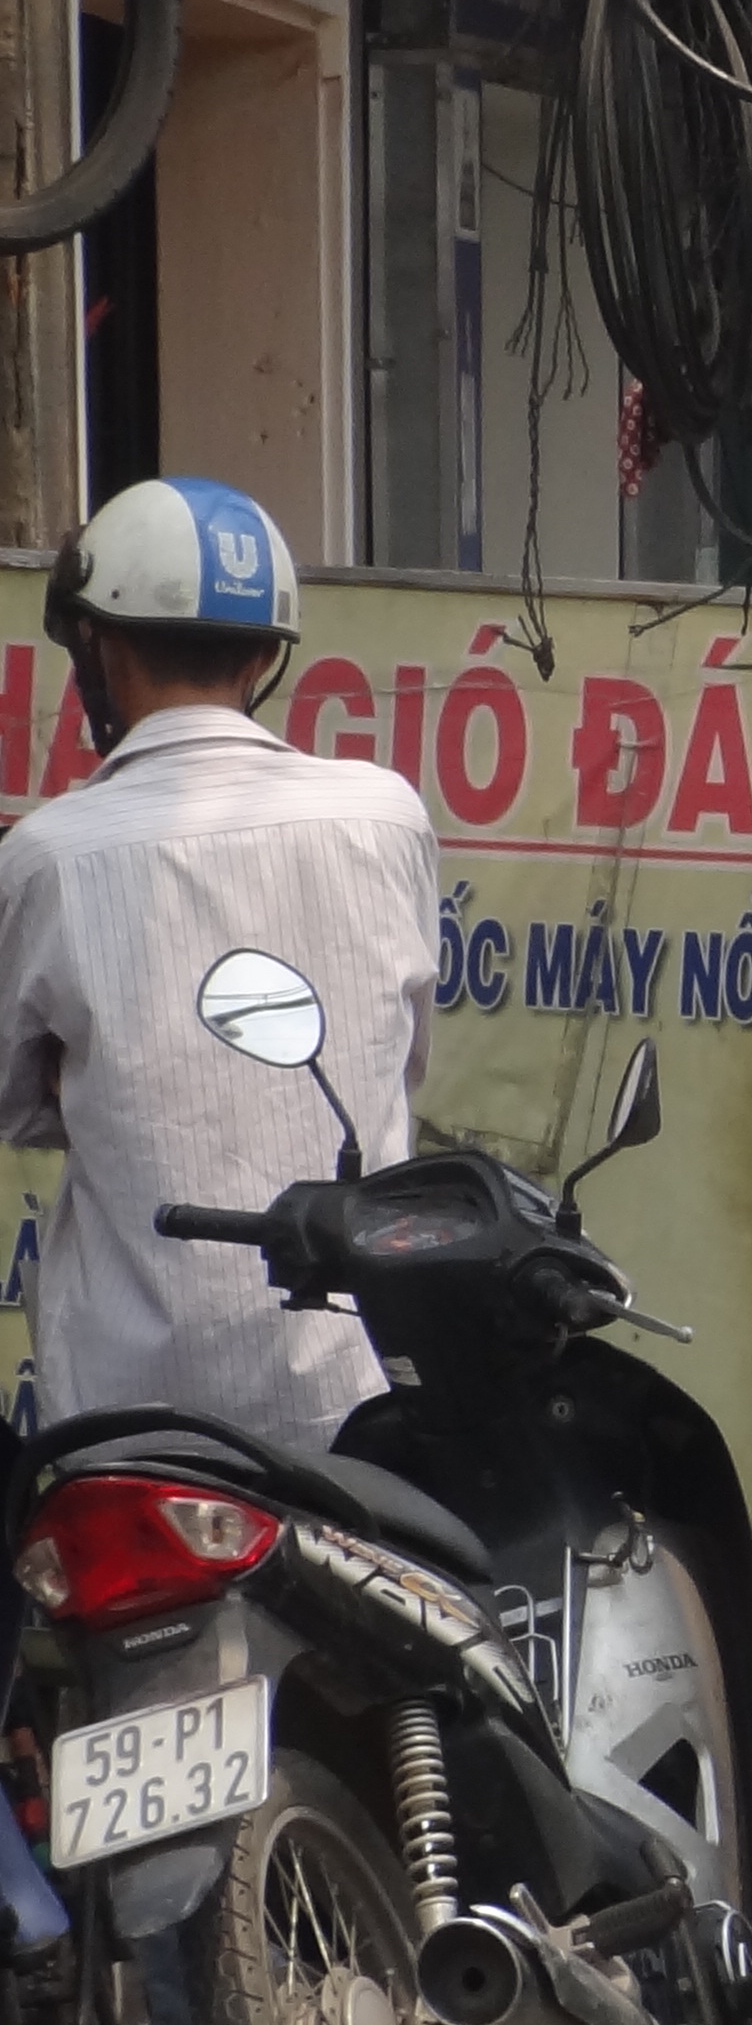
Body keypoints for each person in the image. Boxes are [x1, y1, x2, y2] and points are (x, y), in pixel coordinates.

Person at [0, 482, 432, 1459]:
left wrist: (120, 1089)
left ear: (99, 649)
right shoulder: (384, 815)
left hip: (129, 1428)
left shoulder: (50, 855)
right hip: (353, 1409)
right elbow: (393, 1064)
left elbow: (21, 1103)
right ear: (268, 656)